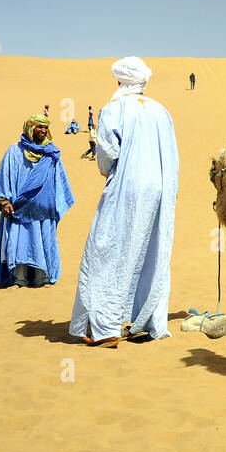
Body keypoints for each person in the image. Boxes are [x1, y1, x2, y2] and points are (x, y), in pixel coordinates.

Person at [70, 57, 179, 347]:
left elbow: (107, 155)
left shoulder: (114, 109)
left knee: (106, 249)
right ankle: (149, 322)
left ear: (120, 81)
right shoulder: (161, 110)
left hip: (127, 186)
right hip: (160, 188)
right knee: (152, 249)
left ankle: (105, 328)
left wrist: (107, 170)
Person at [0, 114, 74, 287]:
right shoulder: (15, 151)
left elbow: (60, 180)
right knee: (20, 241)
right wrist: (5, 201)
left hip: (44, 207)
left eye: (45, 127)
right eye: (39, 127)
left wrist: (57, 203)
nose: (43, 130)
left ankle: (41, 277)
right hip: (20, 207)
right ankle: (19, 278)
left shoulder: (51, 154)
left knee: (43, 242)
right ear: (30, 128)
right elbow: (5, 176)